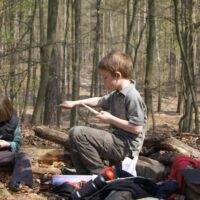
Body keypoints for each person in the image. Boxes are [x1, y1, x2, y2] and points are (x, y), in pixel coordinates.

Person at [60, 50, 147, 175]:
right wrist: (75, 103)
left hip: (126, 147)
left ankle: (101, 174)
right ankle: (83, 174)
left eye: (105, 77)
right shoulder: (117, 93)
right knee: (73, 136)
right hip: (117, 141)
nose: (103, 81)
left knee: (78, 133)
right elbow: (99, 101)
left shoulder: (132, 96)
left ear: (117, 75)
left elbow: (137, 128)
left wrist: (110, 118)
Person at [0, 94, 33, 191]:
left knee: (22, 156)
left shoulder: (13, 123)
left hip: (3, 154)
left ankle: (21, 184)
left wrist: (7, 144)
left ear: (7, 112)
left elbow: (18, 143)